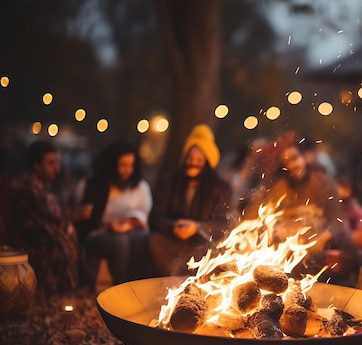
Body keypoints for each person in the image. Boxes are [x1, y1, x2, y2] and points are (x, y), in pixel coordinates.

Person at [246, 132, 358, 285]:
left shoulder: (323, 183)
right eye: (287, 163)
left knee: (347, 252)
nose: (293, 165)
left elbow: (336, 221)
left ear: (303, 157)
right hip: (289, 250)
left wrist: (321, 239)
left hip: (320, 246)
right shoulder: (279, 188)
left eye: (295, 158)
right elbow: (256, 216)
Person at [10, 140, 92, 296]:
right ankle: (61, 291)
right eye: (51, 163)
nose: (57, 169)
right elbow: (53, 214)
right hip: (32, 237)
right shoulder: (30, 185)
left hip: (40, 231)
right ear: (37, 165)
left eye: (58, 163)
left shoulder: (39, 184)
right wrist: (75, 215)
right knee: (63, 238)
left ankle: (67, 289)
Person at [149, 124, 232, 276]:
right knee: (155, 241)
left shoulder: (220, 188)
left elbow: (224, 224)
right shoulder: (170, 182)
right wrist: (173, 226)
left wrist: (197, 227)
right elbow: (156, 216)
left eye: (199, 160)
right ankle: (169, 284)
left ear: (207, 162)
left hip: (203, 243)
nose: (193, 163)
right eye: (190, 158)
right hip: (174, 240)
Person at [76, 140, 153, 288]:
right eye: (123, 165)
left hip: (130, 230)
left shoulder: (140, 187)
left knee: (140, 238)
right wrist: (109, 225)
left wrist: (129, 224)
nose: (128, 170)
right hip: (100, 232)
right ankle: (121, 287)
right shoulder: (95, 185)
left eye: (131, 165)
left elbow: (144, 216)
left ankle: (136, 284)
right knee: (120, 242)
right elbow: (86, 219)